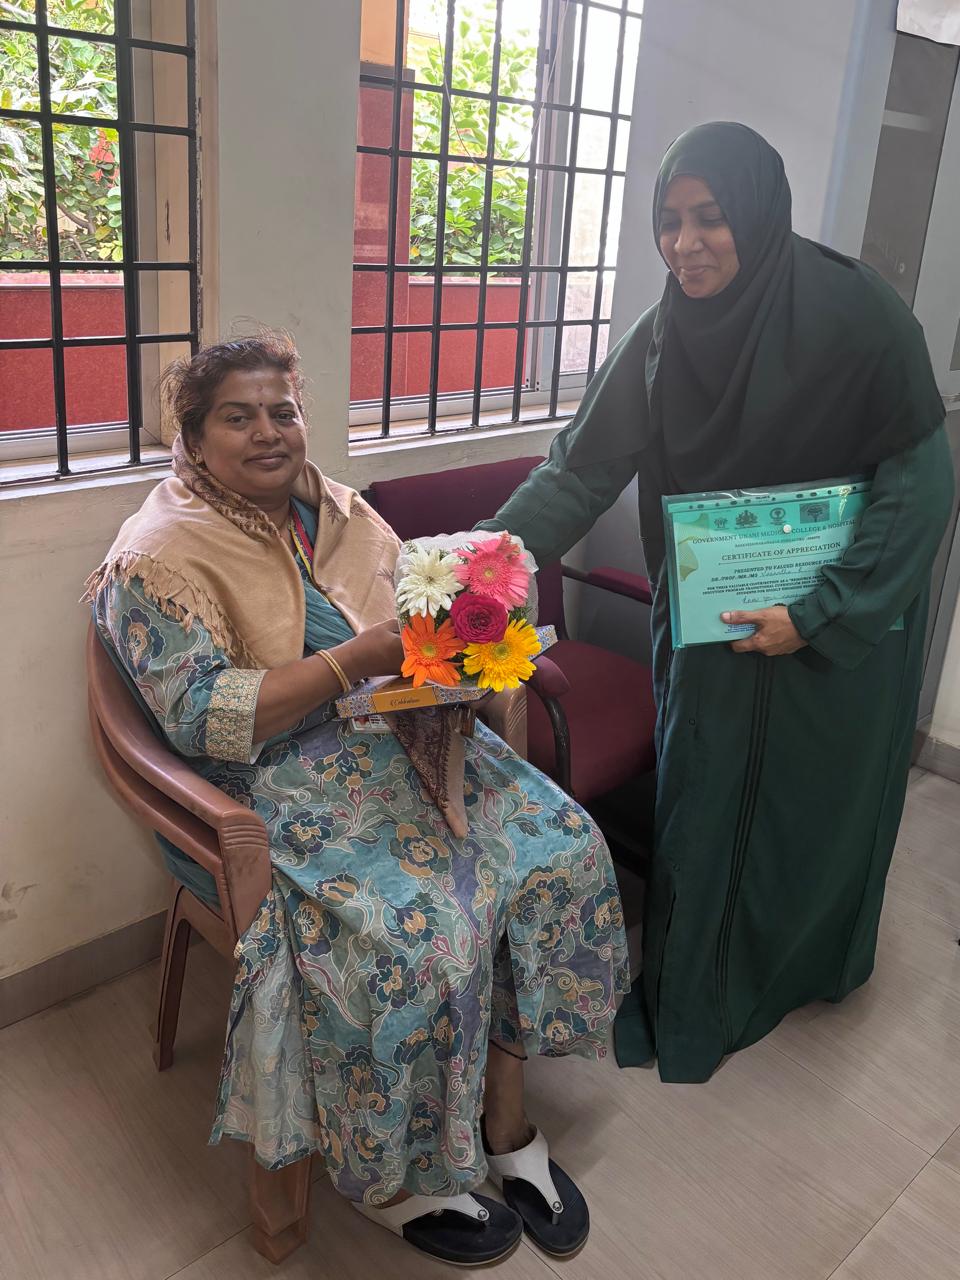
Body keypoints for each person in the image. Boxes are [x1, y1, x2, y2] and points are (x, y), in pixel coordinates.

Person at [88, 334, 629, 1265]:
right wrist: (355, 661)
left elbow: (411, 616)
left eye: (284, 412)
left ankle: (503, 1120)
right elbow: (200, 718)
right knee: (418, 934)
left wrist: (474, 646)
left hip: (398, 734)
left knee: (562, 852)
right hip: (272, 778)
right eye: (239, 417)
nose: (268, 432)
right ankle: (393, 1173)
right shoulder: (159, 553)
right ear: (195, 437)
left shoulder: (335, 510)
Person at [477, 122, 954, 1084]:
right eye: (669, 221)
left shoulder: (858, 315)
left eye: (710, 217)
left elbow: (921, 478)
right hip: (716, 626)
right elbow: (581, 469)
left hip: (839, 636)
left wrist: (819, 612)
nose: (685, 244)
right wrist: (475, 573)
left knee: (817, 811)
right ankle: (696, 993)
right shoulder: (664, 336)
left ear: (759, 212)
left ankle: (811, 964)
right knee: (705, 806)